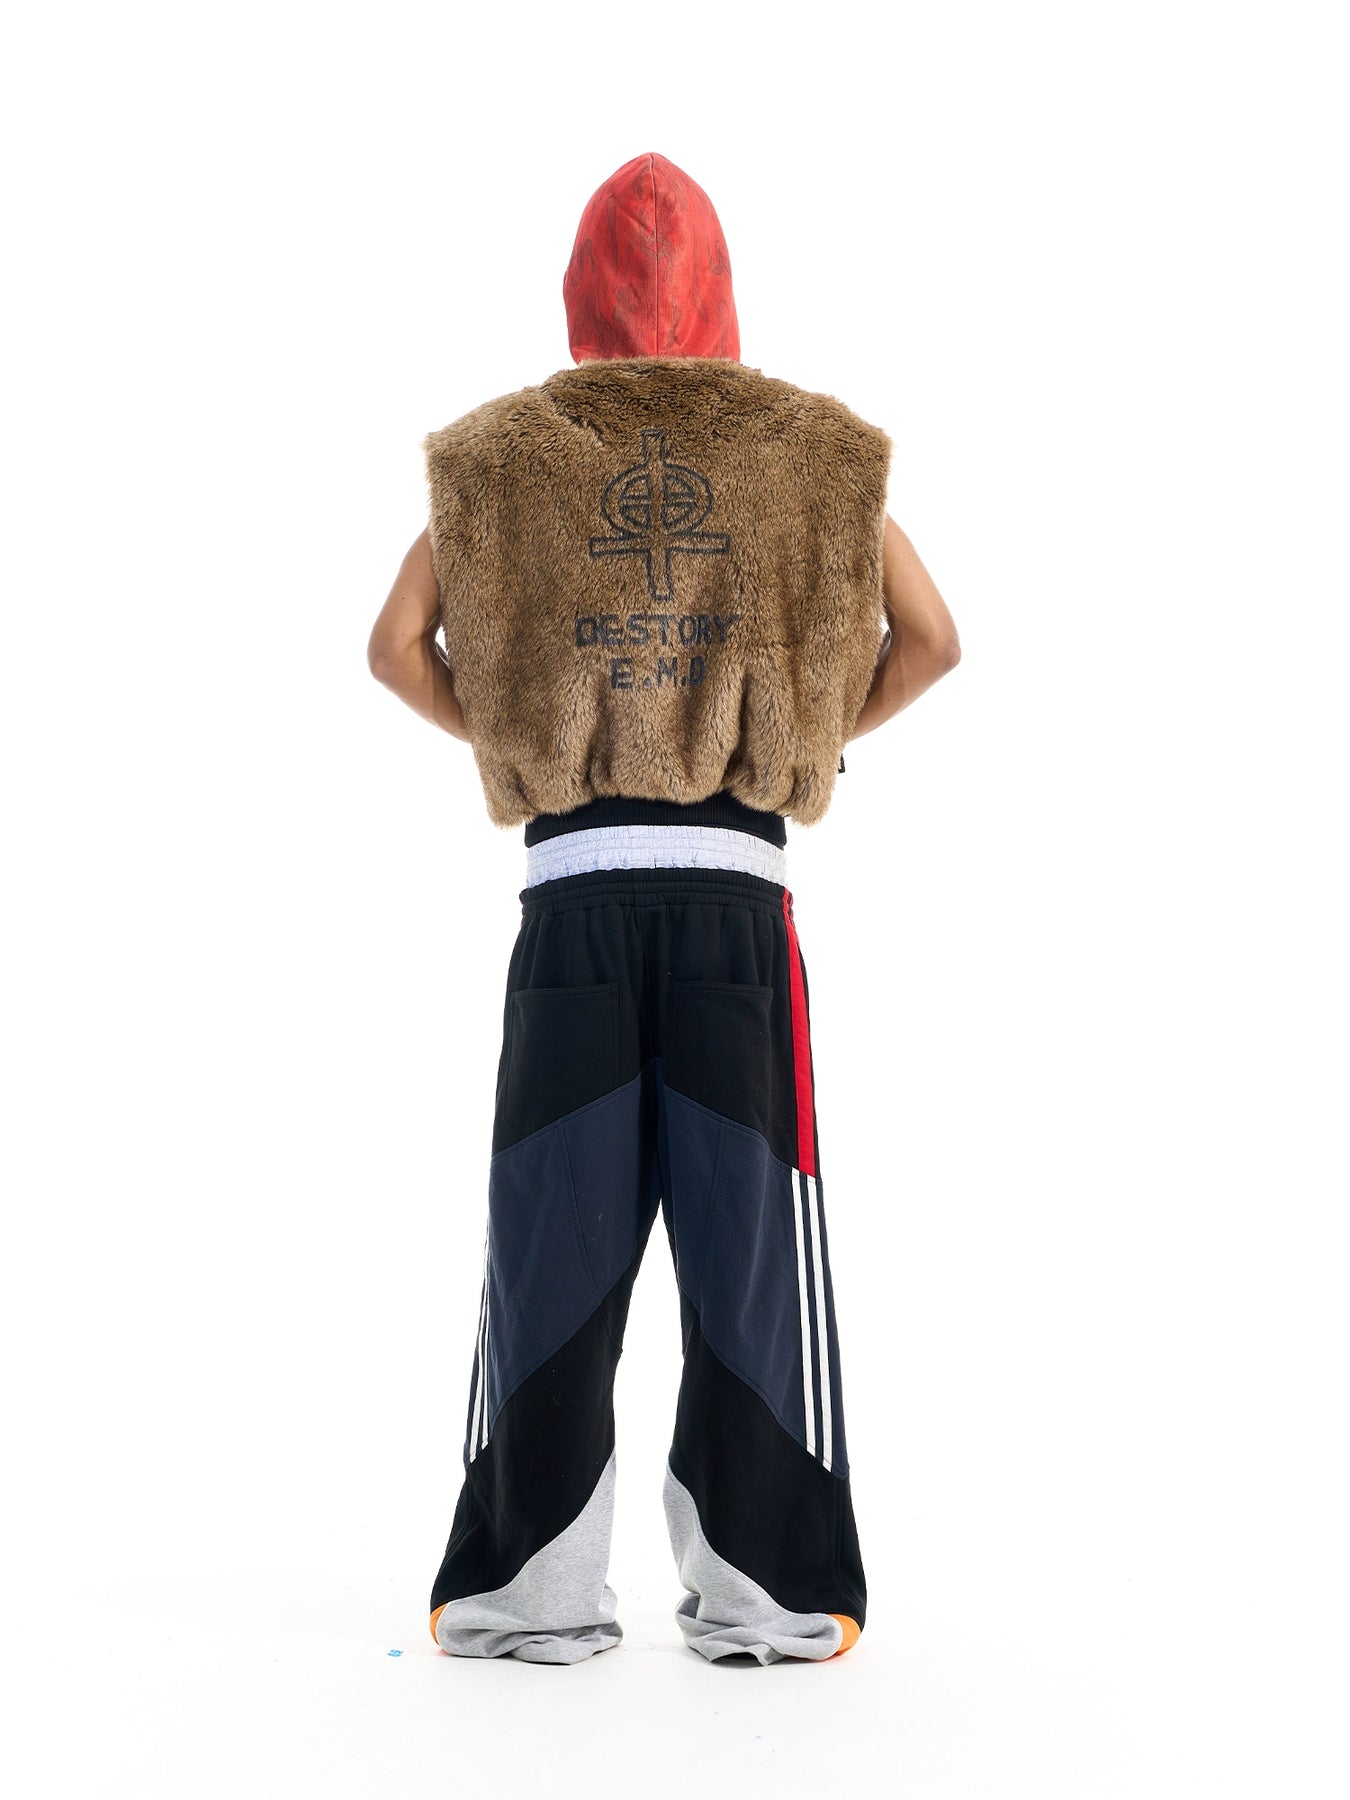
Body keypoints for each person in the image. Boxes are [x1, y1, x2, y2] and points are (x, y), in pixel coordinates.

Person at [367, 151, 961, 1666]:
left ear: (577, 294)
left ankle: (527, 1596)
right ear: (725, 295)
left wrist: (520, 745)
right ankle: (767, 1596)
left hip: (572, 898)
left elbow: (393, 646)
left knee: (550, 1240)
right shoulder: (816, 458)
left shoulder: (494, 462)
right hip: (732, 908)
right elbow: (932, 640)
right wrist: (804, 741)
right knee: (747, 1246)